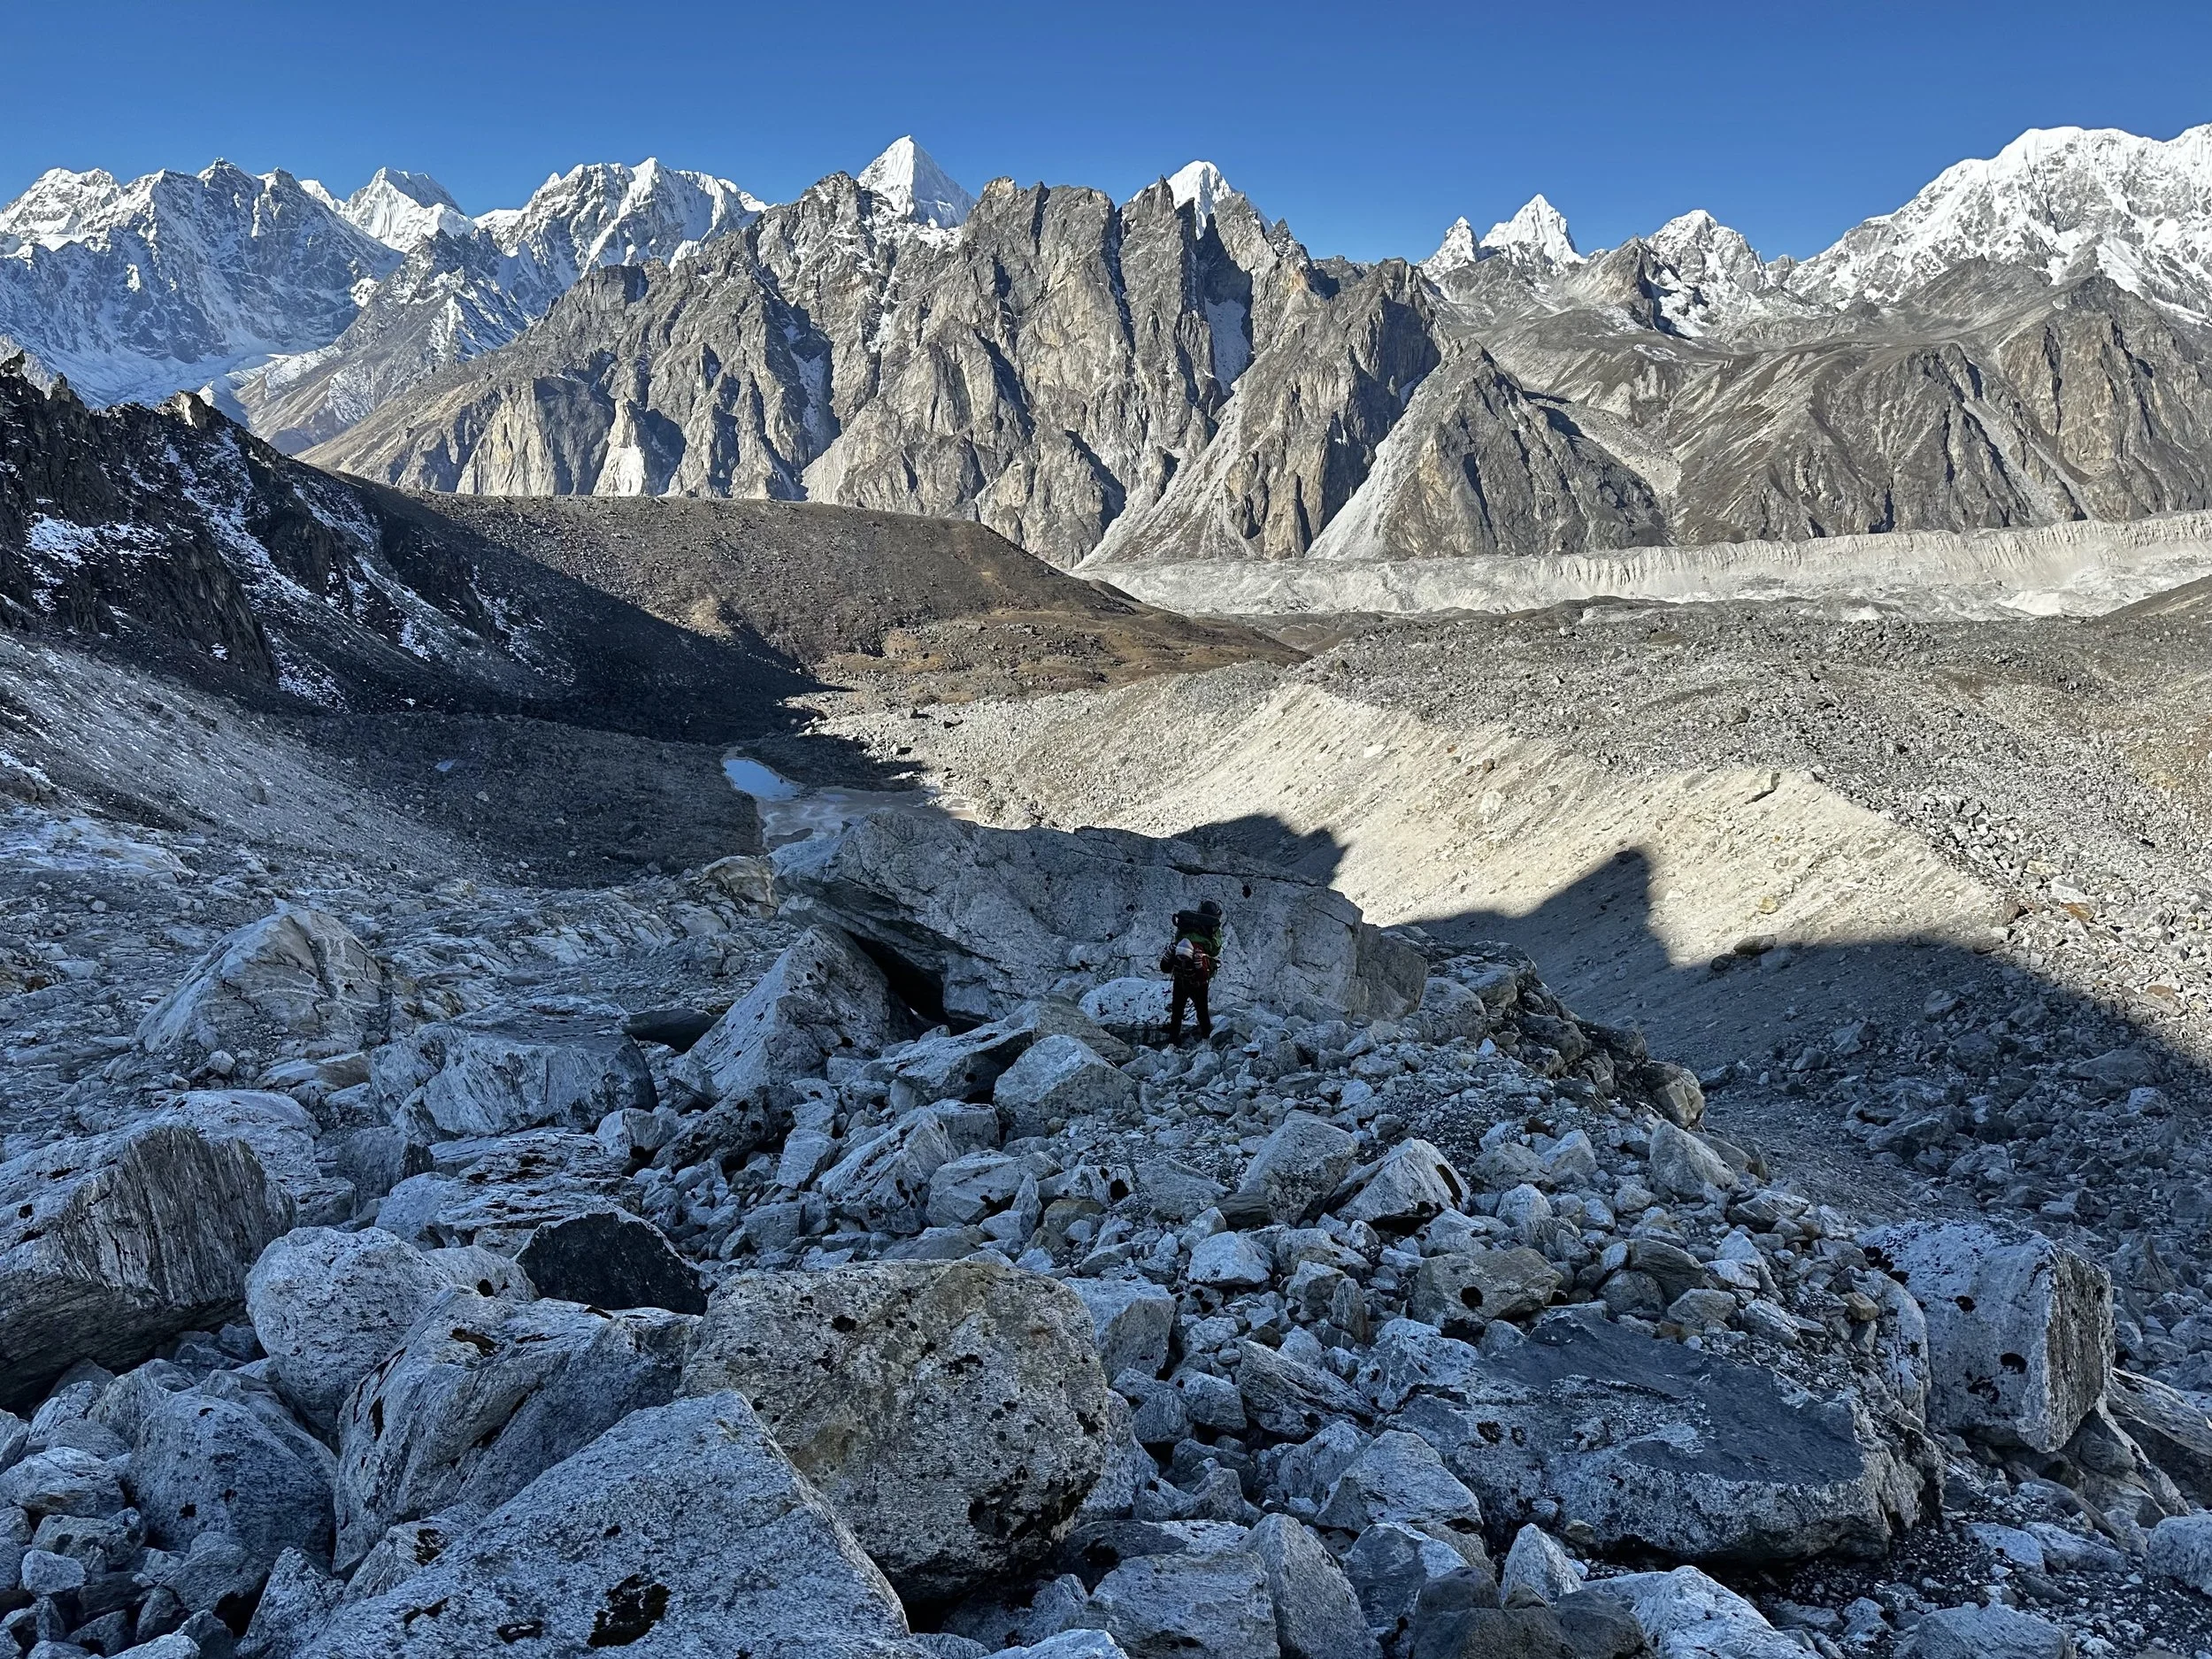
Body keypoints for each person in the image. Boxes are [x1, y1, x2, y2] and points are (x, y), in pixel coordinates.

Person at [1160, 897, 1224, 1043]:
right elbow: (1215, 951)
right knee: (1202, 1011)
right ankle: (1207, 1038)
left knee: (1177, 1010)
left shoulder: (1186, 924)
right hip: (1199, 979)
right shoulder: (1212, 928)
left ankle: (1173, 1040)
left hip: (1180, 975)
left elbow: (1177, 941)